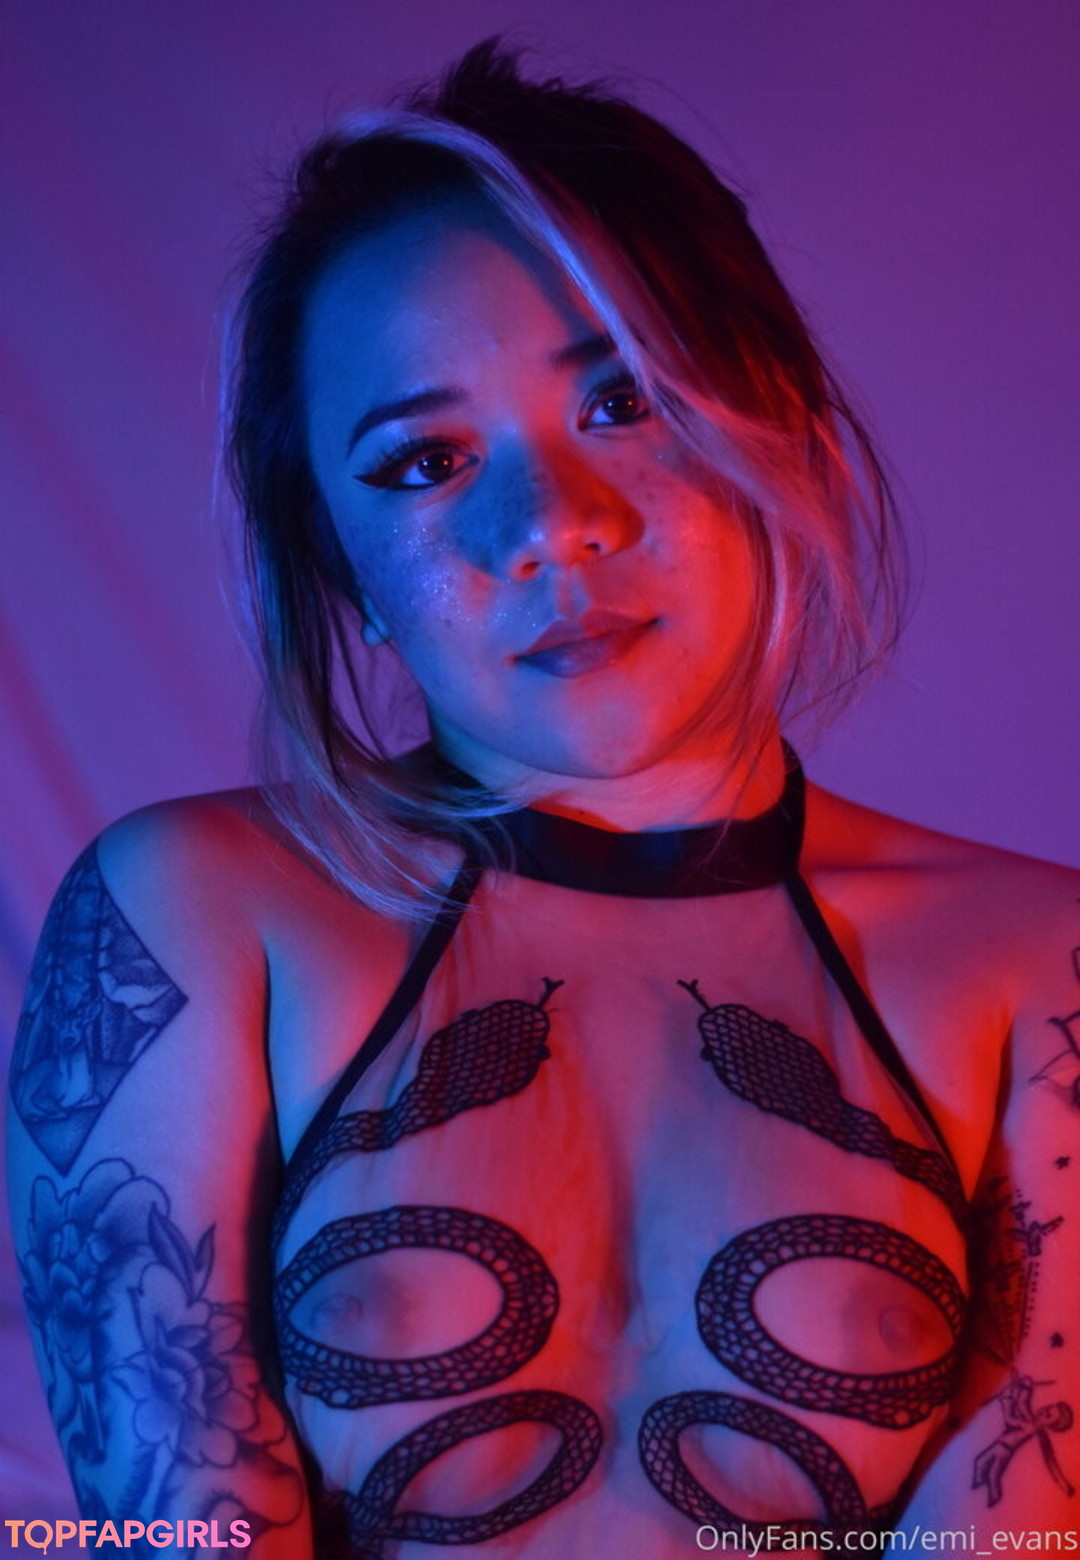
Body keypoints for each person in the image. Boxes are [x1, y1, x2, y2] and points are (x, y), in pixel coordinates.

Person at [8, 38, 1079, 1558]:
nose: (550, 527)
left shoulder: (1039, 968)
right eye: (424, 463)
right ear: (345, 576)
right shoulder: (193, 919)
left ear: (775, 422)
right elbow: (174, 1533)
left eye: (624, 399)